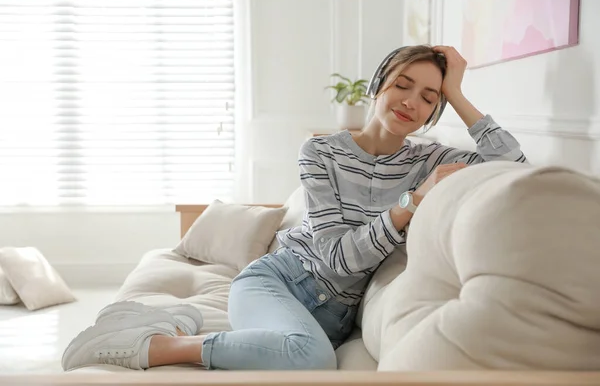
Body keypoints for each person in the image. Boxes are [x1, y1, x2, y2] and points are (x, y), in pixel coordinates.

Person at [62, 45, 528, 372]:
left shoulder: (430, 158)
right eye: (403, 84)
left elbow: (515, 167)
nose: (411, 101)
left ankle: (175, 321)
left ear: (433, 114)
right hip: (276, 282)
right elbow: (334, 257)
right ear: (376, 86)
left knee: (304, 349)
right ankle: (154, 343)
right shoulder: (320, 152)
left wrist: (460, 96)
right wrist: (410, 205)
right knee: (310, 358)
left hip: (334, 316)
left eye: (430, 97)